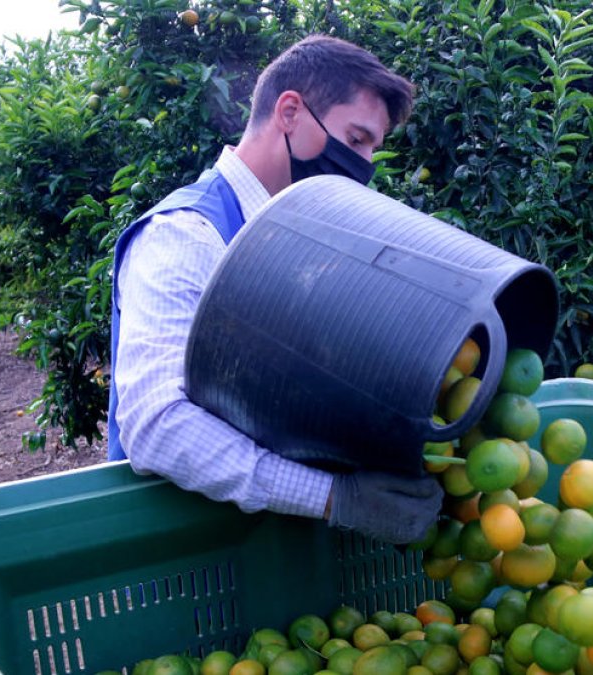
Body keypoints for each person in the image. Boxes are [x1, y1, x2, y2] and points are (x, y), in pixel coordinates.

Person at [108, 36, 443, 545]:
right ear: (290, 112)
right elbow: (156, 425)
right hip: (179, 555)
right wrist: (333, 497)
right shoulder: (186, 235)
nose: (364, 168)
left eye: (372, 150)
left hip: (269, 554)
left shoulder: (306, 242)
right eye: (355, 141)